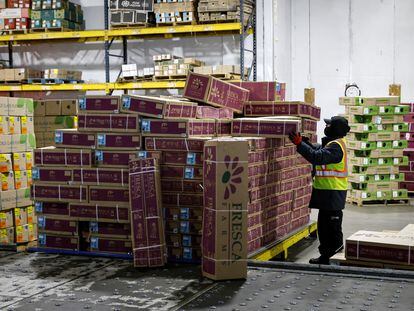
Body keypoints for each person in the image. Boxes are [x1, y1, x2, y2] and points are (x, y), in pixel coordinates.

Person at [289, 116, 350, 265]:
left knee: (332, 228)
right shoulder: (332, 143)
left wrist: (300, 144)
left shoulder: (336, 146)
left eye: (329, 125)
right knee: (323, 227)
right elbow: (318, 149)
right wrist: (303, 142)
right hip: (326, 193)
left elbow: (317, 156)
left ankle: (335, 258)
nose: (326, 127)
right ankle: (325, 256)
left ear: (334, 128)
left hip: (333, 193)